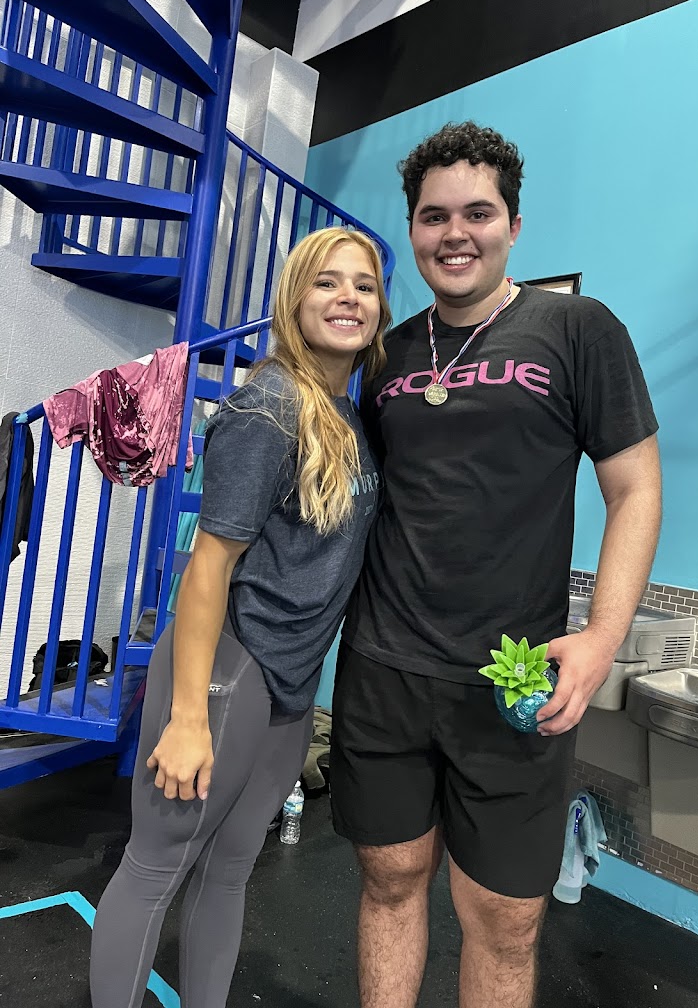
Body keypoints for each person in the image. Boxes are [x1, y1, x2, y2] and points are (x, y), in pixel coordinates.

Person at [330, 122, 662, 1008]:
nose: (455, 234)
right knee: (389, 877)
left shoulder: (577, 329)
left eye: (478, 213)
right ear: (412, 228)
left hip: (512, 681)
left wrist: (602, 637)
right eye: (434, 216)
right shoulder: (387, 356)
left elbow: (635, 489)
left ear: (513, 225)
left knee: (506, 920)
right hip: (385, 667)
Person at [90, 226, 391, 1008]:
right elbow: (208, 568)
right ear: (295, 298)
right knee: (156, 868)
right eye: (327, 281)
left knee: (229, 871)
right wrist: (189, 717)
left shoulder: (344, 415)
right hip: (228, 667)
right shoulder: (269, 408)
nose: (348, 297)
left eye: (363, 285)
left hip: (290, 678)